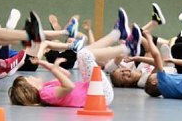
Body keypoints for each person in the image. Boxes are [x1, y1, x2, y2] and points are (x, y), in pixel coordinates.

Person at [7, 8, 141, 108]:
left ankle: (117, 34)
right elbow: (69, 86)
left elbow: (66, 75)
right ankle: (128, 48)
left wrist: (49, 65)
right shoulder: (45, 94)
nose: (30, 77)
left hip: (94, 90)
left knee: (83, 53)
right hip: (100, 95)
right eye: (28, 79)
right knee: (83, 54)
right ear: (29, 88)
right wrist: (52, 69)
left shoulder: (46, 88)